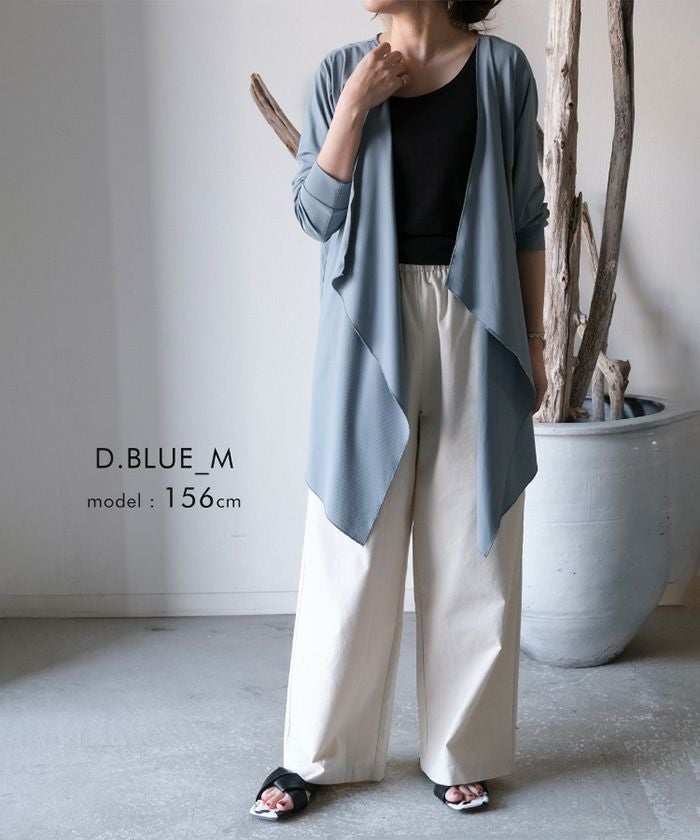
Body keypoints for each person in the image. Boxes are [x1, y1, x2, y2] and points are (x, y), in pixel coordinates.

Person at [250, 0, 549, 820]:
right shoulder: (339, 74)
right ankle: (315, 754)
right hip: (368, 326)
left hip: (479, 319)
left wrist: (537, 342)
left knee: (473, 542)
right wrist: (355, 105)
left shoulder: (502, 72)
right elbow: (314, 213)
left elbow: (526, 213)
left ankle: (462, 750)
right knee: (350, 539)